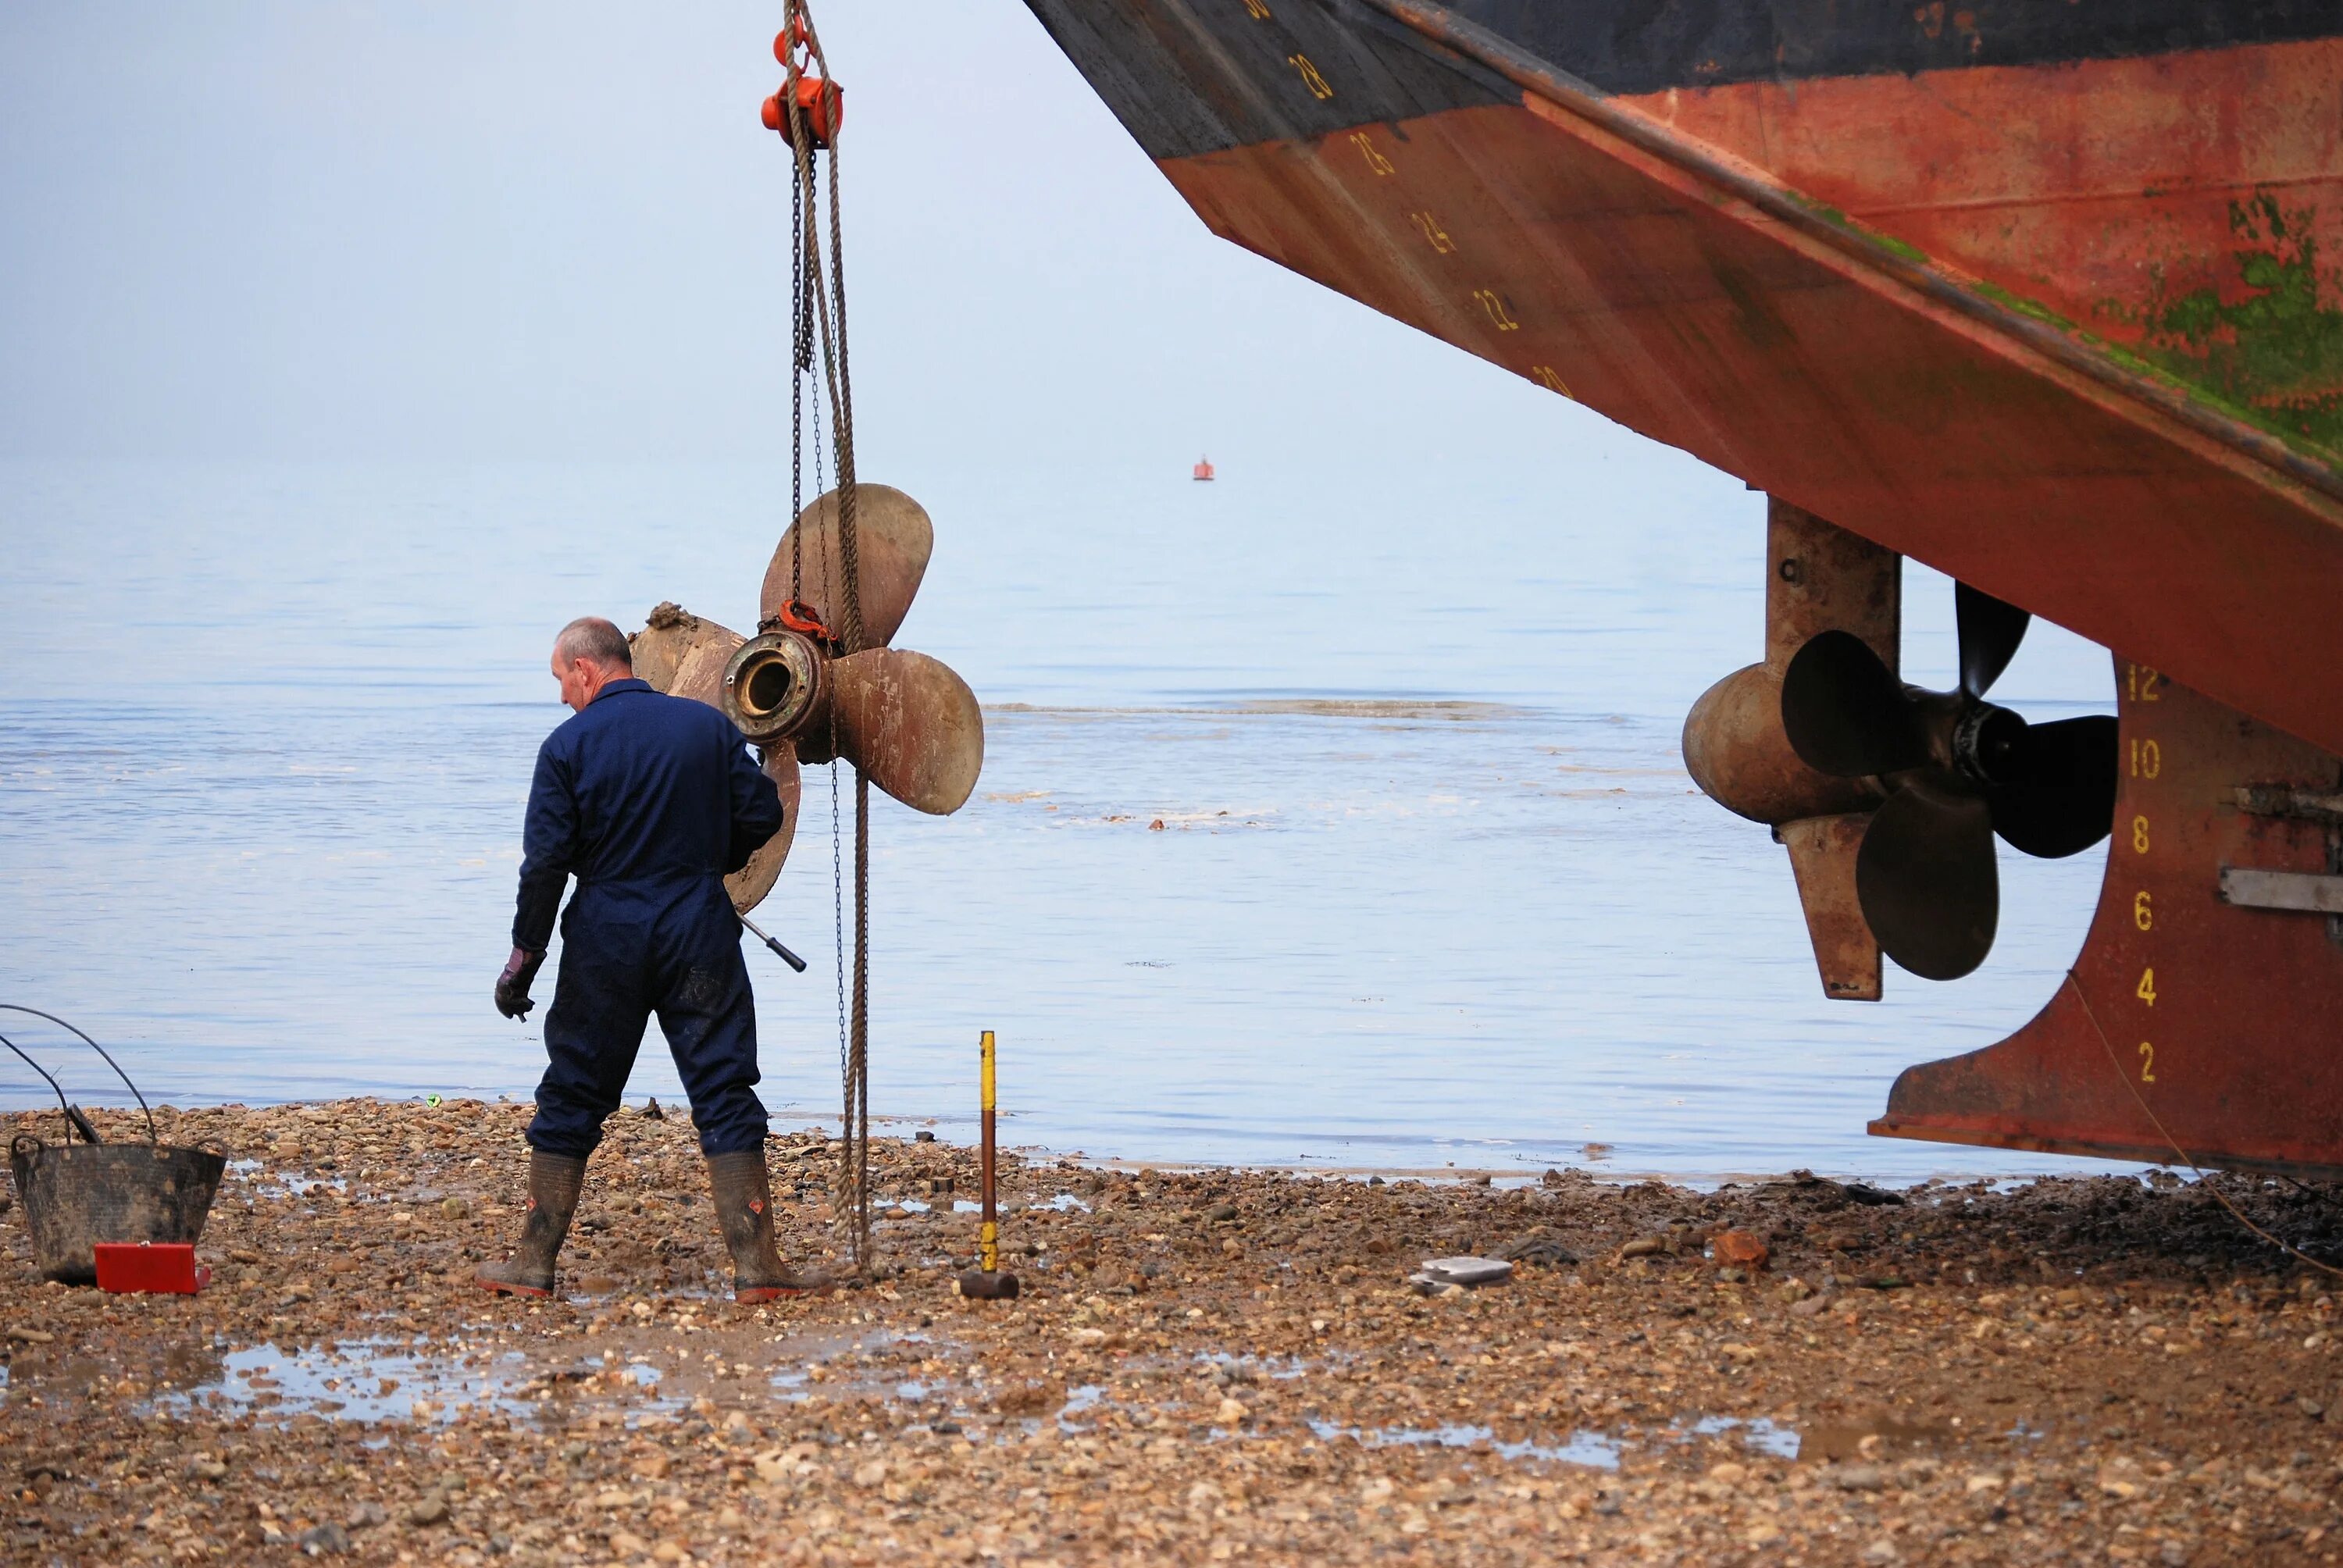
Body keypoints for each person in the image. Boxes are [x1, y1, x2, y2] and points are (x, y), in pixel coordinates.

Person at [477, 615, 825, 1302]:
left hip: (606, 935)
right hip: (698, 925)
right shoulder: (706, 729)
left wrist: (524, 959)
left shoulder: (566, 748)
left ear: (586, 670)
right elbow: (762, 814)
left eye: (560, 681)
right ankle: (757, 1271)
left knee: (575, 1089)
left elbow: (544, 865)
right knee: (724, 1087)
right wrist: (708, 860)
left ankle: (533, 1265)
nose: (561, 697)